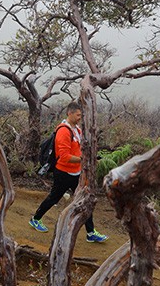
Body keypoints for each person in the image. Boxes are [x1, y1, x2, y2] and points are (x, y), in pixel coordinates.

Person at [29, 102, 108, 243]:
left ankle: (90, 232)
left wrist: (91, 157)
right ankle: (35, 219)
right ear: (69, 113)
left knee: (84, 200)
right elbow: (64, 156)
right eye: (78, 115)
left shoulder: (76, 129)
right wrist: (84, 160)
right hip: (63, 173)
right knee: (54, 197)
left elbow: (81, 147)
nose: (80, 118)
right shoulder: (64, 131)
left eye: (81, 115)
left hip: (76, 173)